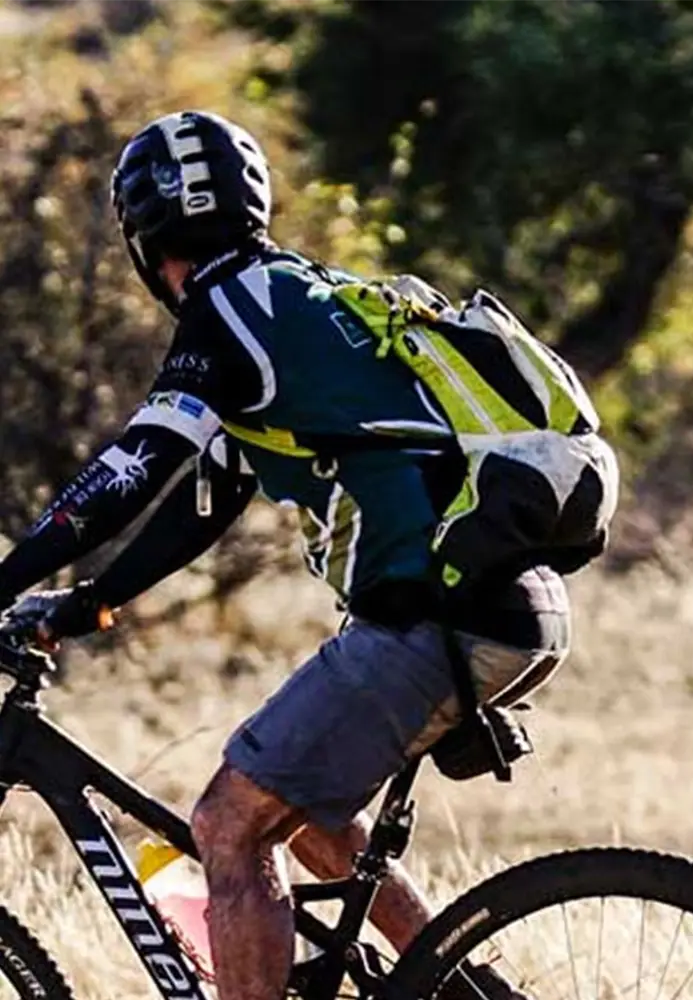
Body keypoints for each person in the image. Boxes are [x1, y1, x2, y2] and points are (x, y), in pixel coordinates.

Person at [0, 110, 606, 1000]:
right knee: (311, 820)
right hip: (507, 599)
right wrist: (89, 598)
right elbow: (203, 503)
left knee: (228, 827)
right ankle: (464, 989)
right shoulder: (294, 301)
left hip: (433, 617)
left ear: (145, 235)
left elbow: (135, 472)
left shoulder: (227, 312)